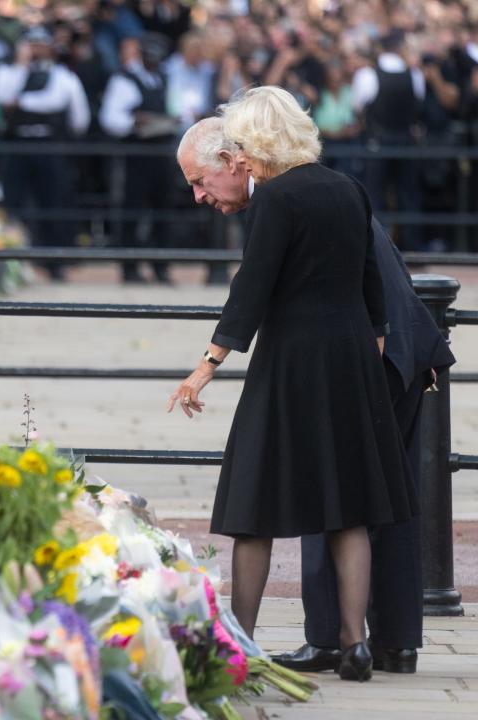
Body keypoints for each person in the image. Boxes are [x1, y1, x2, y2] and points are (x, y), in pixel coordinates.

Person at [176, 116, 455, 675]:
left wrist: (207, 364)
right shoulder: (348, 187)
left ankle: (243, 645)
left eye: (200, 180)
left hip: (292, 363)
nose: (200, 195)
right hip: (353, 358)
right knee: (348, 507)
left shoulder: (275, 199)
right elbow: (371, 283)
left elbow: (250, 288)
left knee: (252, 503)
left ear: (243, 151)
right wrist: (369, 341)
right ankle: (355, 644)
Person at [0, 25, 90, 280]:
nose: (35, 49)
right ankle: (18, 263)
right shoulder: (7, 71)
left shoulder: (63, 76)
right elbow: (1, 96)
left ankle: (54, 261)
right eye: (30, 44)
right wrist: (20, 65)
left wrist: (21, 103)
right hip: (17, 146)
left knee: (52, 202)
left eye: (40, 43)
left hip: (49, 146)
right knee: (15, 203)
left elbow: (67, 108)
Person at [99, 35, 176, 283]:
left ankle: (160, 266)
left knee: (163, 210)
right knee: (131, 210)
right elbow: (110, 119)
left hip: (162, 152)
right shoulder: (124, 79)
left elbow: (176, 108)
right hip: (136, 153)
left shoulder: (164, 78)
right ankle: (129, 268)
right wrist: (135, 121)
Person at [352, 30, 425, 250]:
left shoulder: (367, 74)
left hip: (378, 142)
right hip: (406, 142)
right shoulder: (415, 75)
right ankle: (412, 245)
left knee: (374, 194)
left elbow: (357, 106)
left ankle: (377, 247)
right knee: (409, 194)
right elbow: (417, 103)